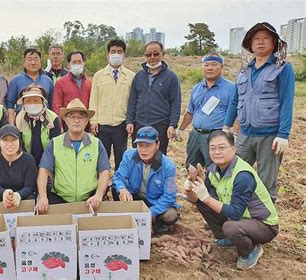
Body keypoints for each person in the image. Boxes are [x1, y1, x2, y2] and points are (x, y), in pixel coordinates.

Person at [183, 130, 278, 270]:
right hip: (242, 219)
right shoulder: (214, 169)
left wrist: (206, 198)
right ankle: (226, 237)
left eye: (222, 148)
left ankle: (251, 251)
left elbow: (235, 214)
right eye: (212, 148)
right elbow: (197, 200)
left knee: (230, 226)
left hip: (263, 225)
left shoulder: (242, 175)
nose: (217, 152)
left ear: (233, 149)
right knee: (204, 202)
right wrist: (189, 189)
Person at [223, 22, 295, 202]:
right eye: (256, 39)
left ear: (274, 43)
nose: (260, 42)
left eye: (265, 39)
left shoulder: (283, 68)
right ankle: (232, 212)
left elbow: (287, 101)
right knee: (235, 174)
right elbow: (235, 99)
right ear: (250, 44)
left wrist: (283, 134)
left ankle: (264, 222)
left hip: (270, 136)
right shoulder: (244, 70)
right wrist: (226, 126)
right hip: (245, 134)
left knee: (266, 182)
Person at [35, 98, 111, 213]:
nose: (77, 120)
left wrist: (99, 195)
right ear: (65, 120)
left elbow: (104, 171)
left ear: (86, 121)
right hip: (60, 199)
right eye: (72, 116)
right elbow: (43, 170)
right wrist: (43, 197)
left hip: (89, 199)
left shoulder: (96, 143)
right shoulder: (55, 143)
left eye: (81, 117)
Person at [112, 126, 179, 233]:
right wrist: (122, 189)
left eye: (148, 146)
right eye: (140, 145)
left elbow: (169, 196)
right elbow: (118, 177)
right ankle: (131, 215)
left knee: (170, 215)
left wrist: (150, 212)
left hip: (155, 201)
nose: (143, 150)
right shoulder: (129, 156)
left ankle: (155, 221)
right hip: (135, 196)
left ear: (157, 145)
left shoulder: (168, 166)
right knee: (116, 189)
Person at [177, 53, 236, 168]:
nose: (209, 68)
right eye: (206, 65)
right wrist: (181, 129)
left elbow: (237, 114)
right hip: (195, 134)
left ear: (221, 67)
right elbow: (190, 112)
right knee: (192, 167)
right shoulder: (197, 88)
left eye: (214, 64)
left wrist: (234, 134)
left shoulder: (231, 88)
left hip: (217, 135)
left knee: (214, 169)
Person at [126, 41, 181, 155]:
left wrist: (172, 125)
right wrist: (130, 121)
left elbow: (175, 103)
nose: (152, 57)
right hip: (140, 124)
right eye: (148, 54)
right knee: (138, 157)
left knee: (158, 158)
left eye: (156, 54)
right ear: (144, 56)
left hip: (160, 124)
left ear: (162, 54)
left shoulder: (171, 77)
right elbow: (132, 100)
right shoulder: (139, 76)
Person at [89, 39, 135, 170]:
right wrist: (93, 121)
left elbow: (132, 102)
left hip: (121, 124)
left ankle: (117, 188)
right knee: (102, 159)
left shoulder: (131, 76)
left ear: (124, 54)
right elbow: (93, 99)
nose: (116, 54)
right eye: (113, 51)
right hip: (102, 125)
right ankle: (101, 188)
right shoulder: (99, 76)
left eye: (119, 52)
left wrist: (131, 121)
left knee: (121, 159)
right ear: (107, 54)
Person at [0, 125, 37, 206]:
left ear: (19, 141)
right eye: (5, 140)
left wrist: (18, 195)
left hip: (22, 196)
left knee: (30, 199)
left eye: (13, 140)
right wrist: (4, 193)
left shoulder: (29, 160)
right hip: (1, 196)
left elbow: (30, 186)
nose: (9, 144)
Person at [15, 84, 61, 165]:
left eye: (36, 100)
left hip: (48, 161)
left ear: (43, 101)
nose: (32, 103)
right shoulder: (19, 118)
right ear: (23, 103)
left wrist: (45, 166)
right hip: (25, 162)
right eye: (28, 101)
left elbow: (55, 146)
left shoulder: (53, 119)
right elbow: (18, 144)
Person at [6, 48, 54, 124]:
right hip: (22, 121)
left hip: (44, 122)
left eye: (36, 59)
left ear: (40, 62)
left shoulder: (48, 81)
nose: (33, 62)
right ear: (24, 63)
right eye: (29, 59)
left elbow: (51, 104)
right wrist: (12, 124)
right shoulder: (16, 80)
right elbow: (10, 103)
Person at [52, 51, 91, 130]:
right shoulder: (61, 83)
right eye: (74, 62)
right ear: (68, 65)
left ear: (84, 63)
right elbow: (56, 105)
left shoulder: (88, 83)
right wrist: (60, 126)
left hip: (85, 123)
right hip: (68, 123)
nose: (77, 64)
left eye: (79, 62)